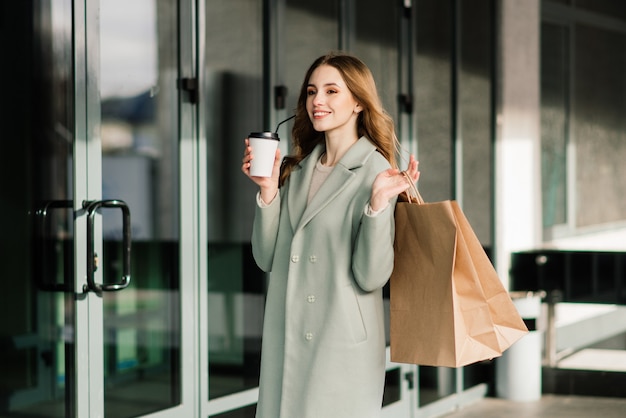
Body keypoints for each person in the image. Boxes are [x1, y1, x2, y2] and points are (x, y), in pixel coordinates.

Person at [241, 52, 419, 418]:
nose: (317, 101)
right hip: (287, 337)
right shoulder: (298, 168)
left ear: (357, 102)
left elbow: (371, 276)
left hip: (339, 344)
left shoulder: (377, 170)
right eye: (311, 91)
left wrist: (377, 206)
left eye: (331, 91)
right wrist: (268, 191)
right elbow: (265, 258)